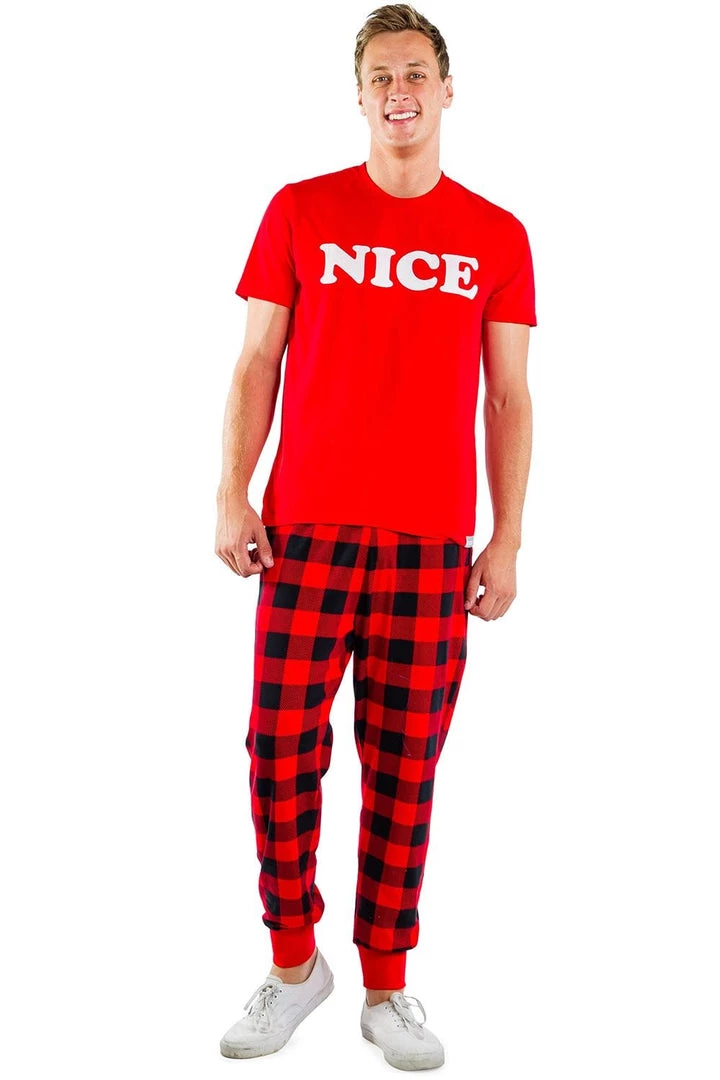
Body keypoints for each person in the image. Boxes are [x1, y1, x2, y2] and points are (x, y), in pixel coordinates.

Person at [214, 3, 537, 1070]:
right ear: (358, 97)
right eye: (381, 76)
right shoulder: (301, 210)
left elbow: (509, 397)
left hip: (432, 548)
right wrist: (232, 491)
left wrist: (507, 539)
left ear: (447, 90)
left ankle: (387, 987)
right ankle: (294, 963)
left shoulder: (496, 235)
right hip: (304, 531)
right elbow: (257, 361)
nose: (400, 91)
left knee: (404, 770)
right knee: (279, 752)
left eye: (415, 73)